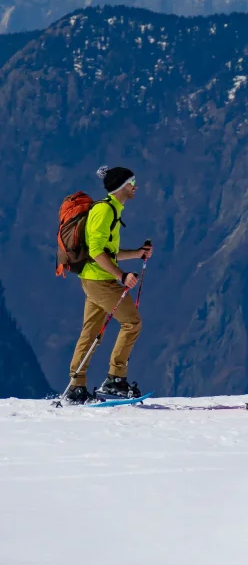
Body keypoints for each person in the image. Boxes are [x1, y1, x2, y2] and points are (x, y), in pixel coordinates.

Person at [66, 166, 153, 404]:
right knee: (132, 322)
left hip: (93, 279)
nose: (136, 186)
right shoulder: (105, 211)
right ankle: (115, 379)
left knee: (91, 332)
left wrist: (137, 253)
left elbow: (108, 252)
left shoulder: (111, 210)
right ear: (121, 185)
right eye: (132, 181)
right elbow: (95, 251)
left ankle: (76, 386)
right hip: (99, 280)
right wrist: (122, 276)